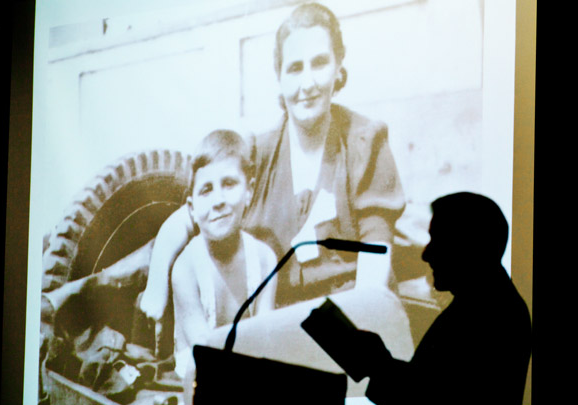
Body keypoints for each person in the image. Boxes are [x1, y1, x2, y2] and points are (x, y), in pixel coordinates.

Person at [139, 2, 406, 340]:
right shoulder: (255, 154)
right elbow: (190, 216)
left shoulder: (365, 143)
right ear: (278, 78)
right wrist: (156, 285)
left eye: (320, 63)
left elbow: (374, 268)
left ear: (339, 67)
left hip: (356, 324)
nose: (307, 83)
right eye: (294, 68)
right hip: (279, 324)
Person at [353, 192, 532, 405]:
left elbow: (431, 404)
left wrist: (379, 365)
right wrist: (381, 364)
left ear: (468, 247)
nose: (426, 254)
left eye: (438, 240)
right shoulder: (491, 305)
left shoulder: (487, 315)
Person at [171, 130, 277, 378]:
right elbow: (203, 351)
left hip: (251, 367)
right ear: (192, 208)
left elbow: (267, 338)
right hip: (198, 375)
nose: (218, 200)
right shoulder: (186, 269)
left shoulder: (264, 260)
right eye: (206, 190)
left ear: (249, 191)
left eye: (229, 184)